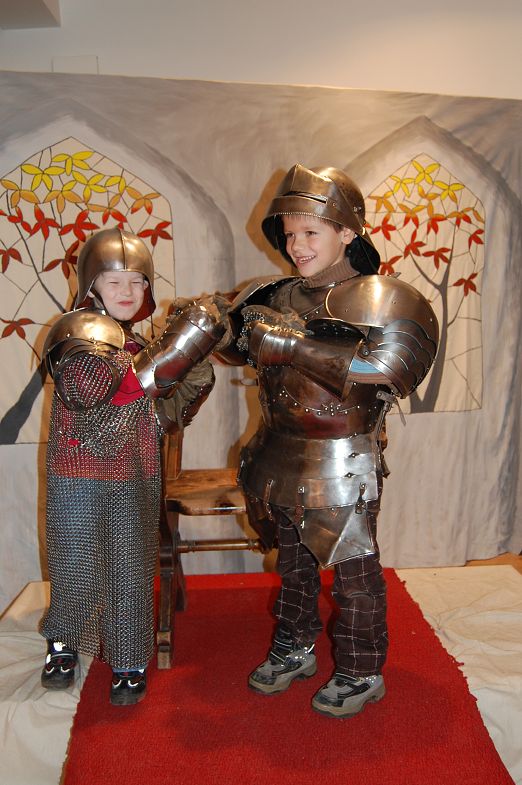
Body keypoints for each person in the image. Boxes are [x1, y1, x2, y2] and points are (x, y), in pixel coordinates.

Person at [211, 164, 439, 718]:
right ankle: (295, 647)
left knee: (353, 576)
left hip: (343, 458)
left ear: (347, 232)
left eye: (311, 232)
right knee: (293, 566)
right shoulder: (275, 294)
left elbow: (394, 368)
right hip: (278, 452)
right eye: (290, 233)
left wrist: (293, 345)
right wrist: (212, 321)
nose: (297, 246)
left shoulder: (383, 297)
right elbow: (234, 347)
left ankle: (361, 669)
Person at [40, 227, 225, 706]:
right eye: (115, 280)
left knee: (130, 569)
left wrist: (191, 373)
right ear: (91, 284)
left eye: (138, 281)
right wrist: (175, 350)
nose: (128, 291)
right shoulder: (76, 333)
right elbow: (94, 394)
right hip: (78, 474)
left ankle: (128, 658)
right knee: (75, 564)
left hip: (135, 472)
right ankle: (63, 644)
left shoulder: (140, 345)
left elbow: (161, 416)